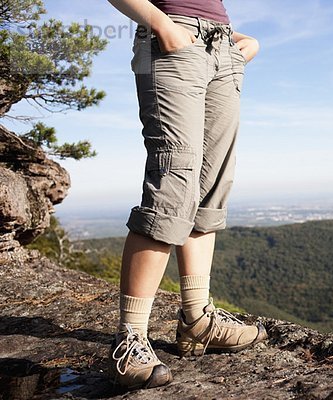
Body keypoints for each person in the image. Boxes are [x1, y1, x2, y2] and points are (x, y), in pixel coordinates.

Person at [106, 0, 265, 390]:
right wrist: (161, 23)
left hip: (223, 49)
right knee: (172, 185)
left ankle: (197, 319)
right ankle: (130, 338)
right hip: (172, 42)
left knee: (211, 187)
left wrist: (240, 40)